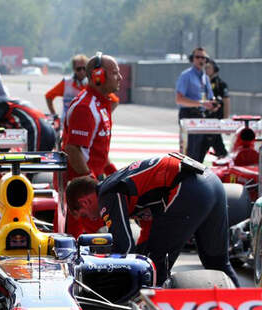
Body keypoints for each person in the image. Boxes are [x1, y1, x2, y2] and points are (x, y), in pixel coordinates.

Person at [65, 154, 239, 287]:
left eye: (84, 214)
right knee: (217, 261)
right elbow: (150, 226)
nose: (92, 218)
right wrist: (143, 251)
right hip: (212, 182)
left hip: (188, 187)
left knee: (156, 264)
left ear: (85, 202)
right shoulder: (125, 186)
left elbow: (124, 245)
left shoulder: (107, 194)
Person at [61, 52, 122, 237]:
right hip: (83, 194)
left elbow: (98, 151)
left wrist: (116, 175)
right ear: (98, 77)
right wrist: (94, 187)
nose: (120, 77)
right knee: (86, 242)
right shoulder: (85, 107)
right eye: (115, 73)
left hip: (93, 185)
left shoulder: (103, 104)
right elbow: (73, 150)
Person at [175, 47, 219, 162]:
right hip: (188, 115)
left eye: (203, 57)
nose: (200, 60)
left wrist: (213, 104)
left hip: (202, 116)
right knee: (190, 152)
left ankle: (198, 177)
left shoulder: (205, 78)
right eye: (197, 57)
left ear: (206, 60)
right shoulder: (186, 75)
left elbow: (210, 97)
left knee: (202, 150)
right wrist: (201, 103)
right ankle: (186, 178)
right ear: (192, 59)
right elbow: (179, 99)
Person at [205, 58, 230, 157]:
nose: (206, 70)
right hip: (203, 121)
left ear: (214, 69)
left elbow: (226, 101)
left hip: (216, 120)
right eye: (205, 68)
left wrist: (226, 120)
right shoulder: (202, 83)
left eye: (208, 68)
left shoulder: (221, 84)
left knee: (217, 144)